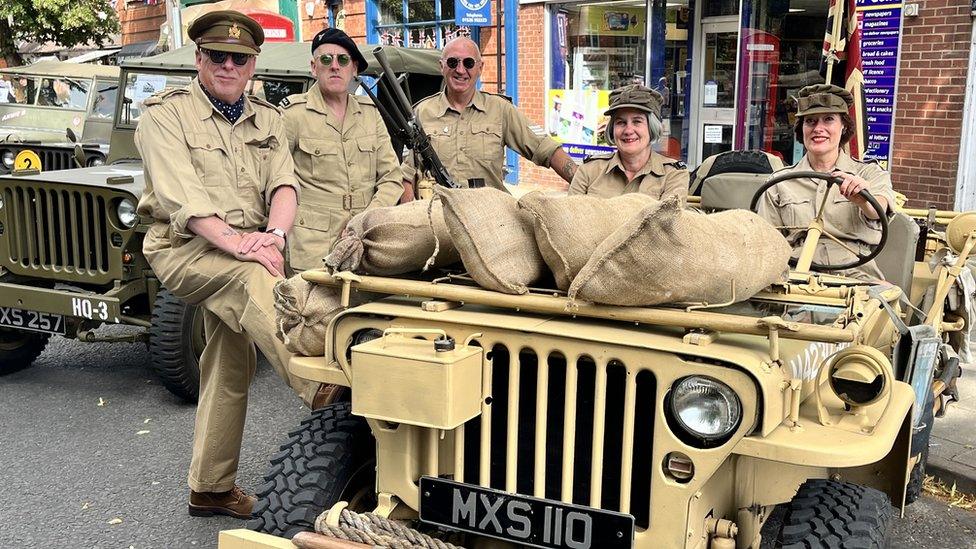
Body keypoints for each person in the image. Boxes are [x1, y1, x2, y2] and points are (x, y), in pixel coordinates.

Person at [134, 10, 319, 520]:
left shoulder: (267, 116)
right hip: (185, 249)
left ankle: (211, 488)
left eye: (239, 58)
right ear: (199, 58)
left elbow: (285, 185)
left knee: (231, 358)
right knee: (252, 279)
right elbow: (185, 203)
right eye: (217, 56)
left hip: (251, 244)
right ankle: (323, 385)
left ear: (253, 63)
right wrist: (245, 247)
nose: (228, 65)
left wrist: (275, 236)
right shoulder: (165, 115)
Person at [281, 28, 402, 272]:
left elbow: (392, 177)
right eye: (326, 59)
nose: (335, 66)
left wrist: (367, 220)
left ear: (354, 69)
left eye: (343, 60)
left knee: (364, 308)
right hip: (312, 245)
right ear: (314, 68)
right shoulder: (293, 114)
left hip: (365, 239)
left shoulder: (370, 113)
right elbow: (274, 179)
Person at [400, 36, 578, 200]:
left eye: (469, 63)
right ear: (442, 66)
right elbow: (407, 175)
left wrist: (585, 184)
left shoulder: (500, 110)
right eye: (453, 62)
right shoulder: (422, 112)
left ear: (480, 68)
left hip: (490, 219)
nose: (460, 70)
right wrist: (410, 221)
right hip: (439, 219)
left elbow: (546, 148)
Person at [758, 83, 895, 281]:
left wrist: (862, 199)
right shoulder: (779, 182)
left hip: (855, 274)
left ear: (844, 126)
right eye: (810, 121)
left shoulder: (869, 173)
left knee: (887, 306)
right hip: (795, 273)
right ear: (801, 129)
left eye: (828, 120)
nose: (818, 129)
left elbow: (878, 208)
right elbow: (767, 242)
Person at [569, 84, 688, 202]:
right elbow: (571, 217)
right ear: (612, 129)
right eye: (621, 122)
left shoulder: (673, 175)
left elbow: (666, 220)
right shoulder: (589, 171)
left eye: (637, 121)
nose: (628, 130)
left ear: (652, 127)